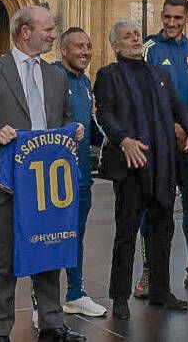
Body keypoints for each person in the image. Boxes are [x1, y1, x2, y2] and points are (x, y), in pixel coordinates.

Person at [0, 5, 85, 342]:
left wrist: (72, 130)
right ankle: (0, 331)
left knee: (49, 252)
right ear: (25, 32)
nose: (54, 34)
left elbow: (63, 119)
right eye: (48, 29)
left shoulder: (56, 76)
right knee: (3, 258)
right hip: (6, 185)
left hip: (47, 186)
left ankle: (52, 324)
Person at [95, 18, 188, 319]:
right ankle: (119, 297)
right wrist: (123, 140)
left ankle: (160, 291)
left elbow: (179, 107)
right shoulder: (109, 75)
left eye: (136, 34)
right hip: (132, 166)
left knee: (163, 231)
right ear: (115, 45)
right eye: (127, 36)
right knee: (126, 233)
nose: (135, 39)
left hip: (163, 166)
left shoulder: (160, 74)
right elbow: (104, 114)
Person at [140, 0, 188, 296]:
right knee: (154, 208)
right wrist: (171, 127)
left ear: (187, 19)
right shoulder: (149, 49)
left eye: (178, 18)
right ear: (161, 16)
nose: (172, 23)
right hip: (159, 145)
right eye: (167, 17)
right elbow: (145, 95)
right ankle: (149, 270)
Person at [55, 26, 107, 318]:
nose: (85, 52)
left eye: (88, 46)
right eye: (79, 46)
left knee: (77, 234)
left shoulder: (86, 82)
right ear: (63, 50)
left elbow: (90, 124)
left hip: (82, 173)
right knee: (52, 236)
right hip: (55, 175)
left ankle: (75, 293)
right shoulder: (52, 76)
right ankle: (43, 304)